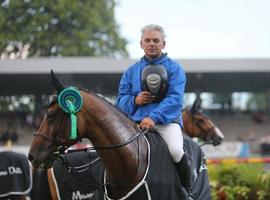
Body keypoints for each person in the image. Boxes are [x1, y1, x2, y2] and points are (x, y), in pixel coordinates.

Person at [116, 24, 193, 199]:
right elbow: (120, 100)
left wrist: (153, 117)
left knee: (175, 150)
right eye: (147, 40)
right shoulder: (130, 72)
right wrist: (135, 100)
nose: (152, 44)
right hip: (135, 123)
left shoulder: (175, 69)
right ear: (141, 44)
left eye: (156, 41)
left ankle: (186, 190)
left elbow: (175, 99)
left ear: (163, 44)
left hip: (167, 123)